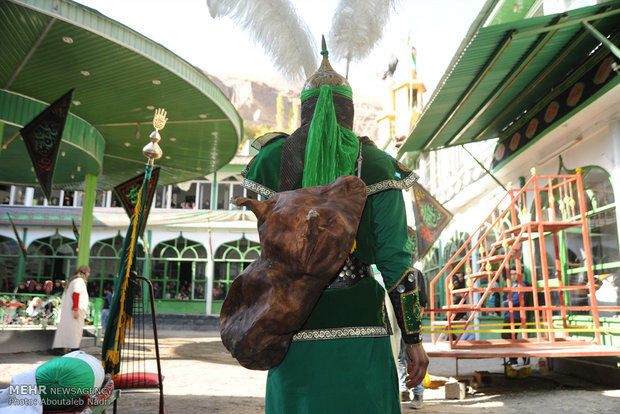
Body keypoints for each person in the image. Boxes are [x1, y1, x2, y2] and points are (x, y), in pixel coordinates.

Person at [239, 39, 428, 413]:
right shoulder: (376, 165)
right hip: (359, 310)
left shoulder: (270, 162)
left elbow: (270, 249)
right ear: (350, 112)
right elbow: (395, 260)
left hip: (289, 312)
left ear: (303, 110)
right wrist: (413, 338)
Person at [52, 266, 90, 352]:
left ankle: (60, 348)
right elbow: (75, 294)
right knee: (74, 329)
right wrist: (76, 309)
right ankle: (74, 348)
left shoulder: (73, 281)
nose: (89, 274)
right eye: (88, 272)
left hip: (69, 310)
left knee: (67, 329)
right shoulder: (79, 281)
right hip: (74, 311)